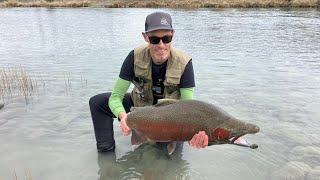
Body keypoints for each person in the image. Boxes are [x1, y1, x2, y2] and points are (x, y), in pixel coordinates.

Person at [89, 11, 208, 153]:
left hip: (169, 118)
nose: (161, 45)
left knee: (167, 161)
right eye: (154, 39)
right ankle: (106, 155)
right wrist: (123, 116)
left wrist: (192, 135)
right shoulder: (134, 57)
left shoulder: (185, 62)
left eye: (166, 38)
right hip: (140, 108)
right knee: (97, 103)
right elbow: (115, 97)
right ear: (145, 37)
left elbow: (189, 108)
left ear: (173, 35)